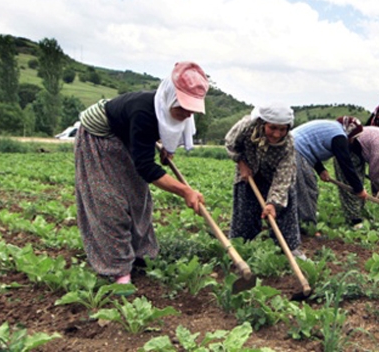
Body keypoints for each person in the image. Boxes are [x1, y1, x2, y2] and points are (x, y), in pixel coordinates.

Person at [75, 61, 208, 285]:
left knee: (138, 198)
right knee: (110, 202)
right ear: (170, 98)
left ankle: (141, 255)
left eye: (191, 109)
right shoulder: (144, 111)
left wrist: (168, 148)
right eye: (182, 108)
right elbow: (146, 167)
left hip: (125, 136)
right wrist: (185, 190)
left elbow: (165, 131)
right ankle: (117, 269)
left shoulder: (177, 112)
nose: (186, 114)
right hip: (99, 137)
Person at [224, 103, 306, 260]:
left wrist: (272, 203)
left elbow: (283, 177)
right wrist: (241, 164)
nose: (277, 134)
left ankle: (289, 248)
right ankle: (240, 246)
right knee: (245, 207)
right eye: (273, 128)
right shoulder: (246, 127)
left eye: (282, 129)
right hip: (248, 168)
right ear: (263, 123)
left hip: (274, 175)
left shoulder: (288, 144)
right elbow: (230, 143)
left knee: (284, 209)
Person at [291, 116, 369, 231]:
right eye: (353, 137)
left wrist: (320, 170)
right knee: (308, 189)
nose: (352, 141)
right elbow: (346, 165)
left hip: (295, 147)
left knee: (295, 188)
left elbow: (311, 144)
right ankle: (307, 225)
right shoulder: (339, 136)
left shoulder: (332, 129)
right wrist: (359, 189)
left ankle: (296, 219)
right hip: (295, 151)